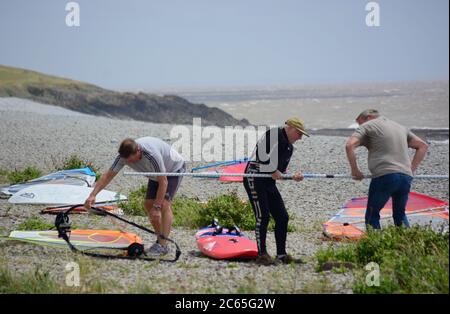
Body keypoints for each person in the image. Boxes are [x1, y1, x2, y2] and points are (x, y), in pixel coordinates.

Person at [84, 137, 185, 256]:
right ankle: (161, 240)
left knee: (163, 204)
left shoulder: (151, 155)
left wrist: (157, 207)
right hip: (154, 174)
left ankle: (162, 246)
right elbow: (108, 175)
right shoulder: (123, 157)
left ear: (138, 151)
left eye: (132, 160)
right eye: (128, 161)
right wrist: (92, 195)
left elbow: (163, 182)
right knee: (148, 204)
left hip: (173, 170)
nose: (131, 163)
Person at [345, 109, 429, 230]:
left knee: (372, 215)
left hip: (385, 175)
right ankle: (406, 244)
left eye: (359, 122)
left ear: (368, 118)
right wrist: (411, 169)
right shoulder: (400, 127)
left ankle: (374, 246)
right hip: (405, 177)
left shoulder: (368, 125)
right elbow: (422, 145)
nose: (359, 126)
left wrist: (355, 171)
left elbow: (349, 145)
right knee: (399, 214)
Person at [243, 118, 308, 265]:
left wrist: (293, 177)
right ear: (289, 127)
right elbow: (261, 157)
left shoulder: (289, 148)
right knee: (263, 215)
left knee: (282, 217)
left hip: (268, 181)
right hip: (254, 177)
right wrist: (274, 170)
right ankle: (262, 255)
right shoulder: (273, 135)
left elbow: (280, 174)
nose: (300, 137)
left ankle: (281, 255)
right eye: (299, 133)